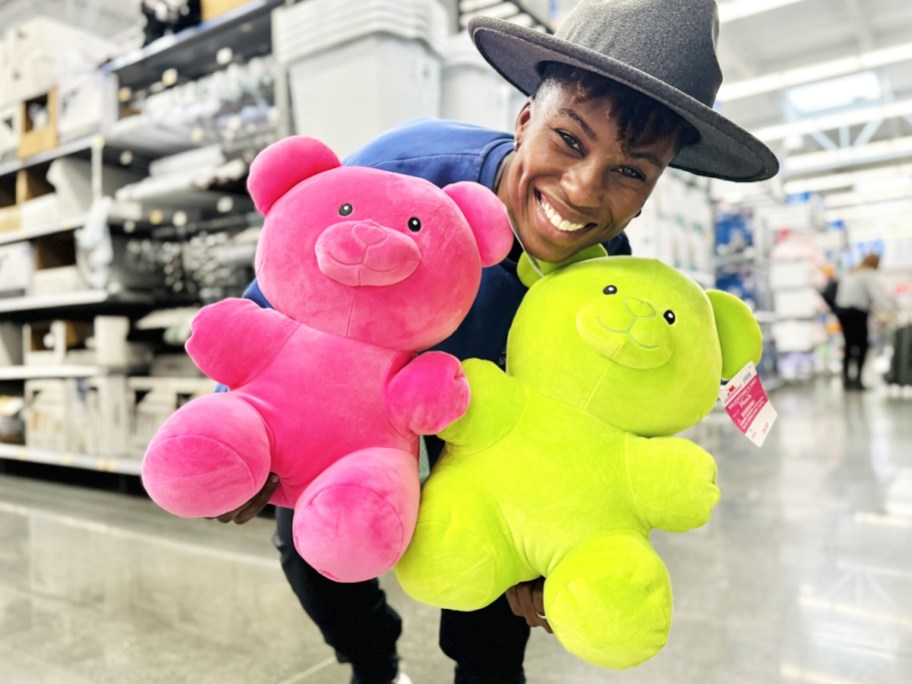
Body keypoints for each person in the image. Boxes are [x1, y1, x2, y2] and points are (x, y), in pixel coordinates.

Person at [215, 1, 778, 682]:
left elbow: (609, 429)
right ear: (524, 120)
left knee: (493, 628)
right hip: (358, 404)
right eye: (569, 139)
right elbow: (291, 273)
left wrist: (567, 543)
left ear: (653, 187)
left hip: (494, 440)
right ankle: (374, 660)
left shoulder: (611, 283)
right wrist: (237, 415)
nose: (581, 188)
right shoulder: (410, 166)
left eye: (631, 171)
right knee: (309, 553)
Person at [834, 253, 891, 390]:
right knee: (862, 346)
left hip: (842, 311)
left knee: (849, 345)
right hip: (857, 312)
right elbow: (877, 296)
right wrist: (888, 309)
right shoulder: (868, 274)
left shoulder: (852, 272)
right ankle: (858, 380)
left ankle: (846, 379)